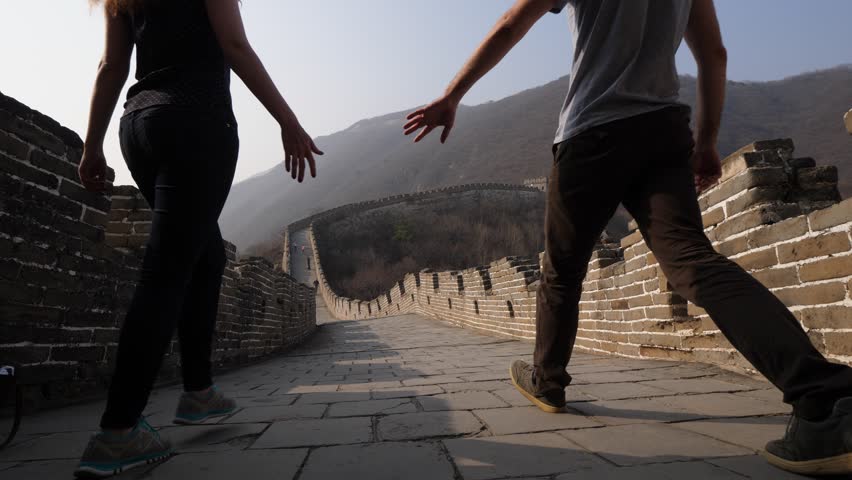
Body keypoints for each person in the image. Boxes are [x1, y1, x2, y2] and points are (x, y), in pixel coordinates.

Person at [404, 0, 852, 475]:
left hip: (591, 133)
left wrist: (452, 96)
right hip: (663, 133)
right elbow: (713, 55)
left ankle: (548, 380)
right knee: (692, 262)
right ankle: (823, 397)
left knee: (561, 271)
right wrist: (706, 141)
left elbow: (513, 23)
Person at [76, 0, 322, 477]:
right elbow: (234, 44)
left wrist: (92, 145)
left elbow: (112, 66)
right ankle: (118, 431)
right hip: (197, 122)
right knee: (164, 273)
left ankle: (199, 393)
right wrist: (287, 120)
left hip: (139, 128)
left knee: (206, 257)